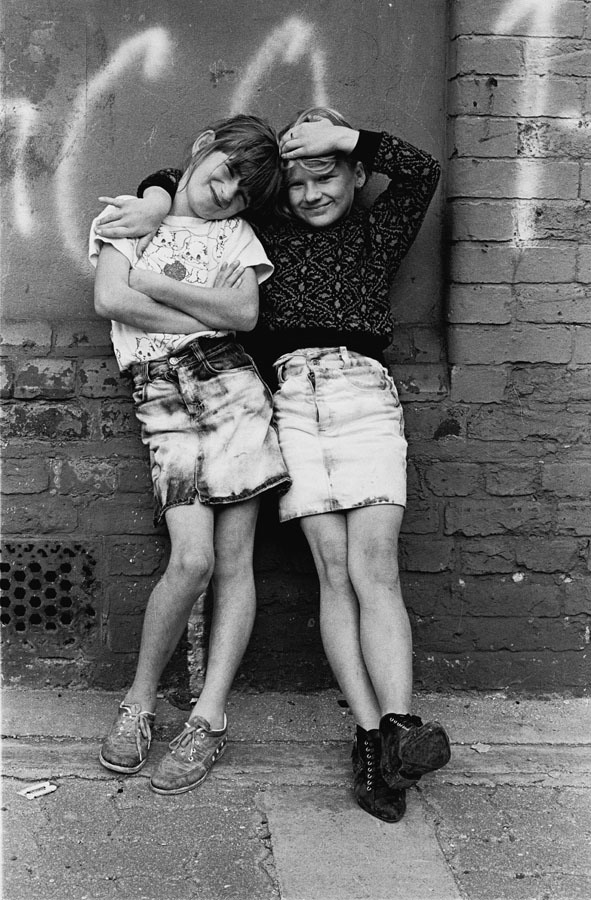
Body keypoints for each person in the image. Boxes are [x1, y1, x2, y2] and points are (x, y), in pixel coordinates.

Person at [95, 107, 451, 822]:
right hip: (284, 398)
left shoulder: (375, 229)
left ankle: (394, 729)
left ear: (354, 172)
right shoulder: (268, 224)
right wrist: (160, 200)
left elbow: (416, 172)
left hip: (355, 394)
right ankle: (365, 734)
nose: (310, 194)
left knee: (370, 567)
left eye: (327, 176)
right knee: (323, 569)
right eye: (297, 183)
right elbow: (192, 185)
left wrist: (344, 140)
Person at [89, 114, 290, 795]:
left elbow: (244, 319)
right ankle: (138, 703)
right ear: (201, 147)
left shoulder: (239, 235)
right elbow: (111, 296)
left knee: (233, 561)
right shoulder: (132, 215)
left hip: (232, 385)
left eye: (239, 193)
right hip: (160, 392)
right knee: (192, 558)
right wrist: (203, 309)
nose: (223, 193)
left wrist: (160, 287)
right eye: (222, 173)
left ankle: (207, 718)